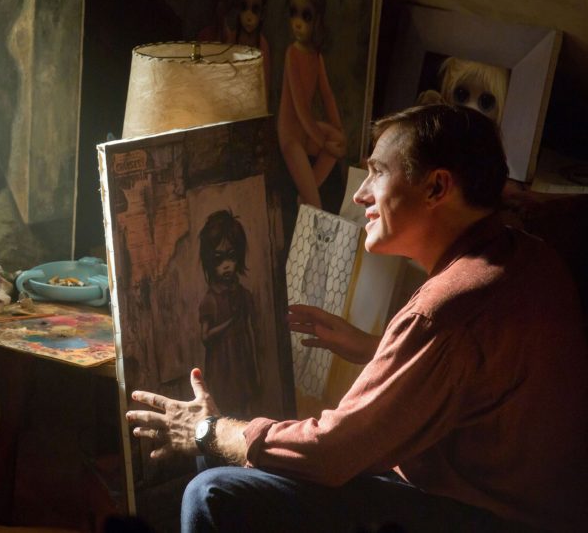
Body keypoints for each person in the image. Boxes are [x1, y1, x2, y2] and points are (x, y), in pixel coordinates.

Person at [126, 104, 587, 532]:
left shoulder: (445, 308)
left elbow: (330, 453)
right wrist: (377, 348)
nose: (360, 194)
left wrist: (208, 429)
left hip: (480, 517)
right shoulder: (529, 255)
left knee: (213, 491)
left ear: (436, 188)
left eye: (378, 173)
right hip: (526, 508)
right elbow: (472, 372)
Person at [277, 0, 346, 209]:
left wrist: (337, 131)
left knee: (338, 139)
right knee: (315, 204)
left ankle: (306, 191)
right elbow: (300, 109)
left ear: (317, 17)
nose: (297, 23)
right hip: (291, 136)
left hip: (308, 130)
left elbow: (327, 95)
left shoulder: (316, 56)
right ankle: (308, 196)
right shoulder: (292, 54)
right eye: (293, 13)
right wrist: (322, 141)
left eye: (305, 16)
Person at [197, 210, 261, 419]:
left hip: (242, 363)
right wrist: (229, 323)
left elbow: (253, 333)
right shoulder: (210, 300)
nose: (226, 265)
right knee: (223, 413)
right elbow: (205, 337)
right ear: (210, 262)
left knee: (246, 412)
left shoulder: (244, 295)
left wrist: (256, 370)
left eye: (231, 257)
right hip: (221, 368)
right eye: (218, 259)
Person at [229, 0, 271, 103]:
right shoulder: (231, 39)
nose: (248, 17)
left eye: (255, 9)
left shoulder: (263, 46)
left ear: (262, 13)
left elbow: (264, 89)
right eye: (244, 7)